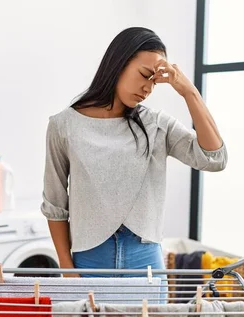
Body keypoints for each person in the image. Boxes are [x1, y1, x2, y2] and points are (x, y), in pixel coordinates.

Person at [41, 27, 227, 280]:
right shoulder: (63, 125)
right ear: (118, 64)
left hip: (146, 263)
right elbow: (55, 204)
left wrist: (188, 92)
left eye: (154, 81)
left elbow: (214, 159)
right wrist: (67, 268)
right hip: (89, 262)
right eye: (144, 75)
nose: (148, 88)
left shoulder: (156, 124)